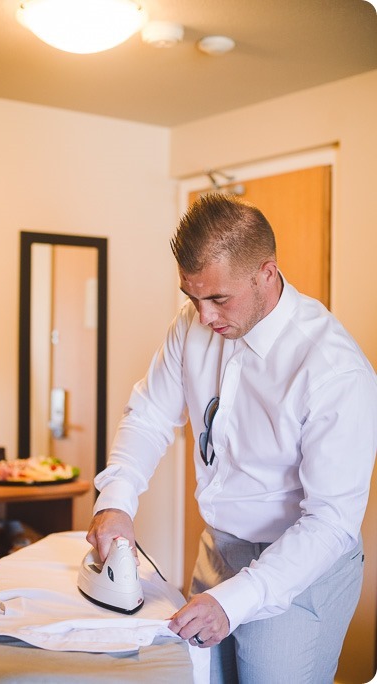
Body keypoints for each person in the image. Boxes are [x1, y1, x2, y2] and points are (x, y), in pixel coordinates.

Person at [86, 193, 377, 683]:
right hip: (218, 548)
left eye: (218, 298)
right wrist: (116, 499)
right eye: (191, 297)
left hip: (298, 565)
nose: (203, 317)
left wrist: (235, 600)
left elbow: (331, 522)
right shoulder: (193, 325)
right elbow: (151, 414)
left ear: (266, 272)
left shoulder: (334, 370)